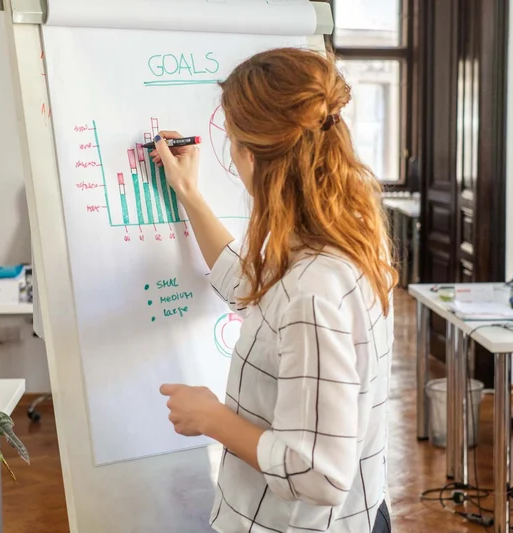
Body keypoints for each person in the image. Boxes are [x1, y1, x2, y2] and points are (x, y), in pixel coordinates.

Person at [154, 47, 396, 533]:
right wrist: (189, 193)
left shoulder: (312, 289)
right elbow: (252, 289)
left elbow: (319, 474)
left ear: (250, 155)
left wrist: (211, 417)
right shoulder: (346, 235)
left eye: (231, 140)